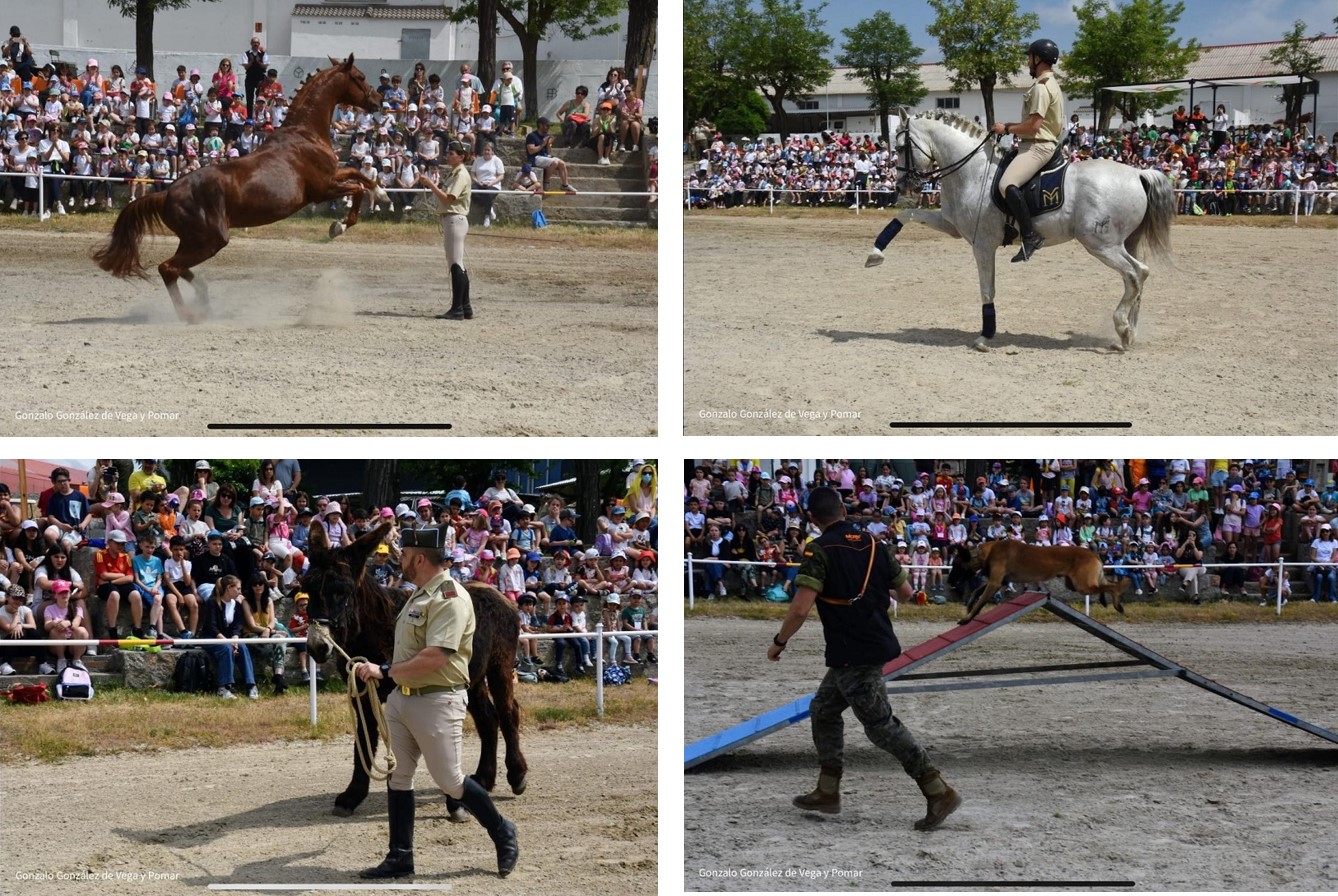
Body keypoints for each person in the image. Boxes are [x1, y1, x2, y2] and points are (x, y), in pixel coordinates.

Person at [766, 486, 961, 829]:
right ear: (843, 509)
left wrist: (779, 642)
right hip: (868, 645)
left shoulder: (819, 549)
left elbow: (799, 609)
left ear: (812, 519)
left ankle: (937, 789)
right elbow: (904, 592)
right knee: (824, 710)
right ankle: (828, 791)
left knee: (880, 726)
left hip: (853, 652)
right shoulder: (874, 544)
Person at [351, 526, 519, 879]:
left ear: (420, 558)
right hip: (404, 698)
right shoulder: (418, 594)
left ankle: (503, 830)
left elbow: (436, 657)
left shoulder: (448, 598)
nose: (400, 559)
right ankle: (400, 856)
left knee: (450, 780)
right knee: (399, 776)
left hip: (437, 700)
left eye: (405, 554)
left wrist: (383, 670)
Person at [988, 38, 1064, 262]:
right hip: (1033, 142)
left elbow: (1034, 126)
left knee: (1006, 184)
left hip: (1038, 146)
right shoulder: (1048, 83)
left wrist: (1008, 128)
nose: (1028, 63)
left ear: (1037, 58)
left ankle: (1030, 236)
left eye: (1029, 58)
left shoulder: (1041, 88)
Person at [418, 140, 473, 321]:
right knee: (459, 264)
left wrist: (430, 185)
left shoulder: (460, 175)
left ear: (461, 156)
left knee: (455, 264)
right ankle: (465, 306)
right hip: (453, 220)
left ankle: (457, 308)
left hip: (454, 219)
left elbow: (448, 199)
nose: (447, 155)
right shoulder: (455, 173)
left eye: (451, 153)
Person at [198, 574, 258, 699]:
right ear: (229, 588)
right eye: (238, 588)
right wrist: (228, 642)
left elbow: (238, 625)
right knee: (226, 649)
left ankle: (251, 685)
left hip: (228, 639)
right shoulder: (212, 602)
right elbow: (211, 627)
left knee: (242, 647)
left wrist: (235, 639)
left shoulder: (236, 604)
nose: (240, 591)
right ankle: (224, 687)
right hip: (210, 638)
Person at [524, 118, 577, 194]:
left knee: (562, 163)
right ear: (540, 125)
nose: (548, 127)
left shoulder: (547, 136)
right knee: (554, 162)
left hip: (545, 156)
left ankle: (565, 185)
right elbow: (531, 151)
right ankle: (546, 181)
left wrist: (548, 144)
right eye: (547, 126)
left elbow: (549, 153)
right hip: (535, 158)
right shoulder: (531, 136)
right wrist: (542, 144)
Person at [471, 141, 504, 226]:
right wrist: (477, 181)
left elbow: (501, 176)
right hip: (479, 183)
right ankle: (490, 208)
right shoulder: (478, 160)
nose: (486, 152)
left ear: (492, 151)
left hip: (493, 184)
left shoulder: (497, 160)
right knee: (471, 192)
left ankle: (487, 216)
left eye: (488, 150)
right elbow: (473, 174)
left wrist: (492, 183)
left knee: (488, 194)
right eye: (485, 150)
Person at [488, 61, 522, 136]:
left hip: (513, 102)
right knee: (497, 113)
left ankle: (510, 129)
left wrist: (512, 98)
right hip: (501, 103)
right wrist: (493, 101)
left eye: (507, 68)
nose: (505, 70)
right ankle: (502, 129)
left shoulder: (516, 80)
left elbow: (519, 94)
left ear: (512, 69)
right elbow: (493, 92)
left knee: (514, 113)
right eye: (504, 69)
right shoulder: (499, 82)